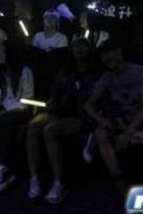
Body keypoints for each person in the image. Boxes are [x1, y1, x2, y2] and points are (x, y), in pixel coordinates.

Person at [27, 37, 100, 203]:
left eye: (83, 46)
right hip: (60, 111)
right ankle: (34, 177)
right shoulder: (65, 72)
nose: (79, 49)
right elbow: (55, 94)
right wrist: (53, 102)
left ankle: (58, 182)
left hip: (81, 115)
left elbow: (92, 101)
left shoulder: (96, 73)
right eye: (76, 46)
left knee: (50, 130)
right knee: (34, 125)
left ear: (89, 49)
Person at [85, 40, 143, 191]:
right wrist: (102, 119)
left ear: (119, 52)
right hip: (119, 122)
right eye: (103, 56)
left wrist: (129, 131)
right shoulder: (106, 77)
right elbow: (88, 104)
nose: (107, 58)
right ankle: (117, 176)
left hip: (141, 121)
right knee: (100, 133)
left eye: (110, 53)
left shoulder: (139, 72)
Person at [0, 42, 34, 193]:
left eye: (3, 52)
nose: (0, 55)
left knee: (2, 120)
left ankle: (5, 165)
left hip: (20, 108)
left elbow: (27, 98)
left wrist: (6, 109)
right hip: (2, 106)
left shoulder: (25, 71)